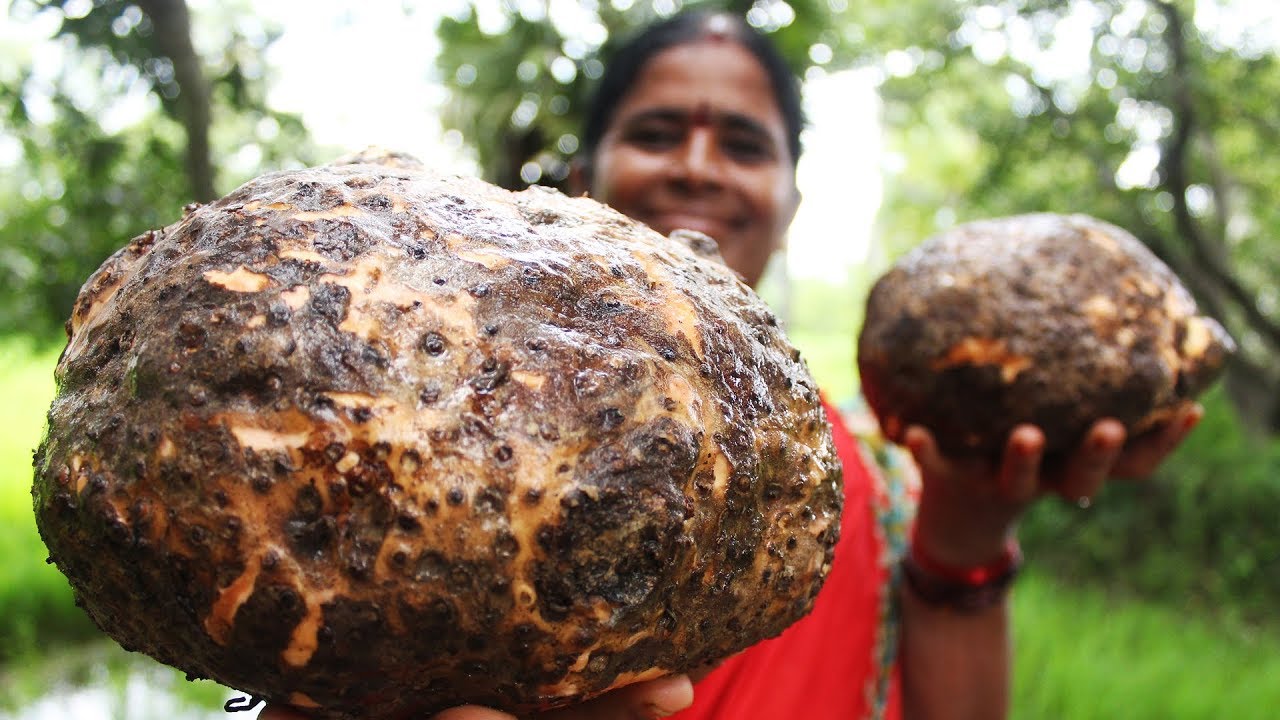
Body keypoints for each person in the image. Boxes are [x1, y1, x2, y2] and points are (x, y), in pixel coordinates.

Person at [263, 10, 1201, 720]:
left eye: (745, 145)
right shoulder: (418, 428)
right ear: (586, 177)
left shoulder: (869, 472)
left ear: (789, 197)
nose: (699, 167)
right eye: (658, 133)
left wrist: (965, 529)